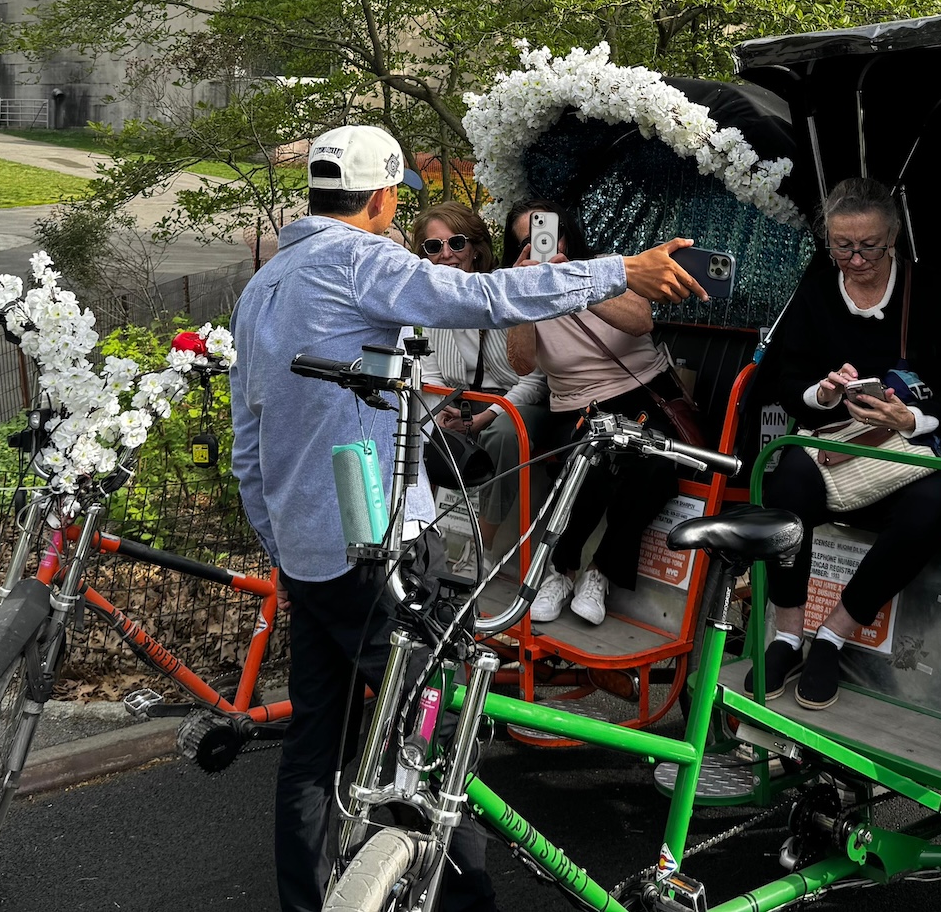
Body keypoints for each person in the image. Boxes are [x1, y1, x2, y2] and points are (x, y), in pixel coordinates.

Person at [230, 126, 704, 912]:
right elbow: (484, 297)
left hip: (308, 552)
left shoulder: (264, 284)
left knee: (317, 745)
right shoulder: (361, 260)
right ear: (384, 198)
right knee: (436, 734)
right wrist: (621, 270)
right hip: (379, 550)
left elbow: (247, 443)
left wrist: (278, 541)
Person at [750, 175, 941, 709]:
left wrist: (908, 416)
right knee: (785, 486)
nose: (854, 260)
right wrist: (823, 393)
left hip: (907, 450)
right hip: (831, 441)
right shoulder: (816, 289)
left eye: (869, 246)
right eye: (842, 247)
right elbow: (788, 378)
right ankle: (787, 635)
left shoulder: (936, 292)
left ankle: (834, 634)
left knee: (935, 501)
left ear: (892, 238)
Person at [503, 200, 687, 628]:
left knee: (655, 466)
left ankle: (599, 571)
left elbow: (641, 321)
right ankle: (561, 572)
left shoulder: (605, 267)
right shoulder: (520, 284)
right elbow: (522, 364)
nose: (543, 245)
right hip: (576, 405)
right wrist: (524, 292)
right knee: (587, 459)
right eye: (529, 240)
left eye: (550, 234)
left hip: (642, 393)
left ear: (568, 233)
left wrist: (574, 282)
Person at [413, 200, 554, 557]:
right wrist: (441, 412)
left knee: (503, 434)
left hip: (519, 402)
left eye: (456, 243)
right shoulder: (432, 306)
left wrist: (486, 416)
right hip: (464, 402)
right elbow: (431, 373)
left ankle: (483, 546)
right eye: (434, 246)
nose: (446, 254)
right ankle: (421, 534)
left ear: (475, 249)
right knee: (417, 428)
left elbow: (534, 380)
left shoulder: (503, 292)